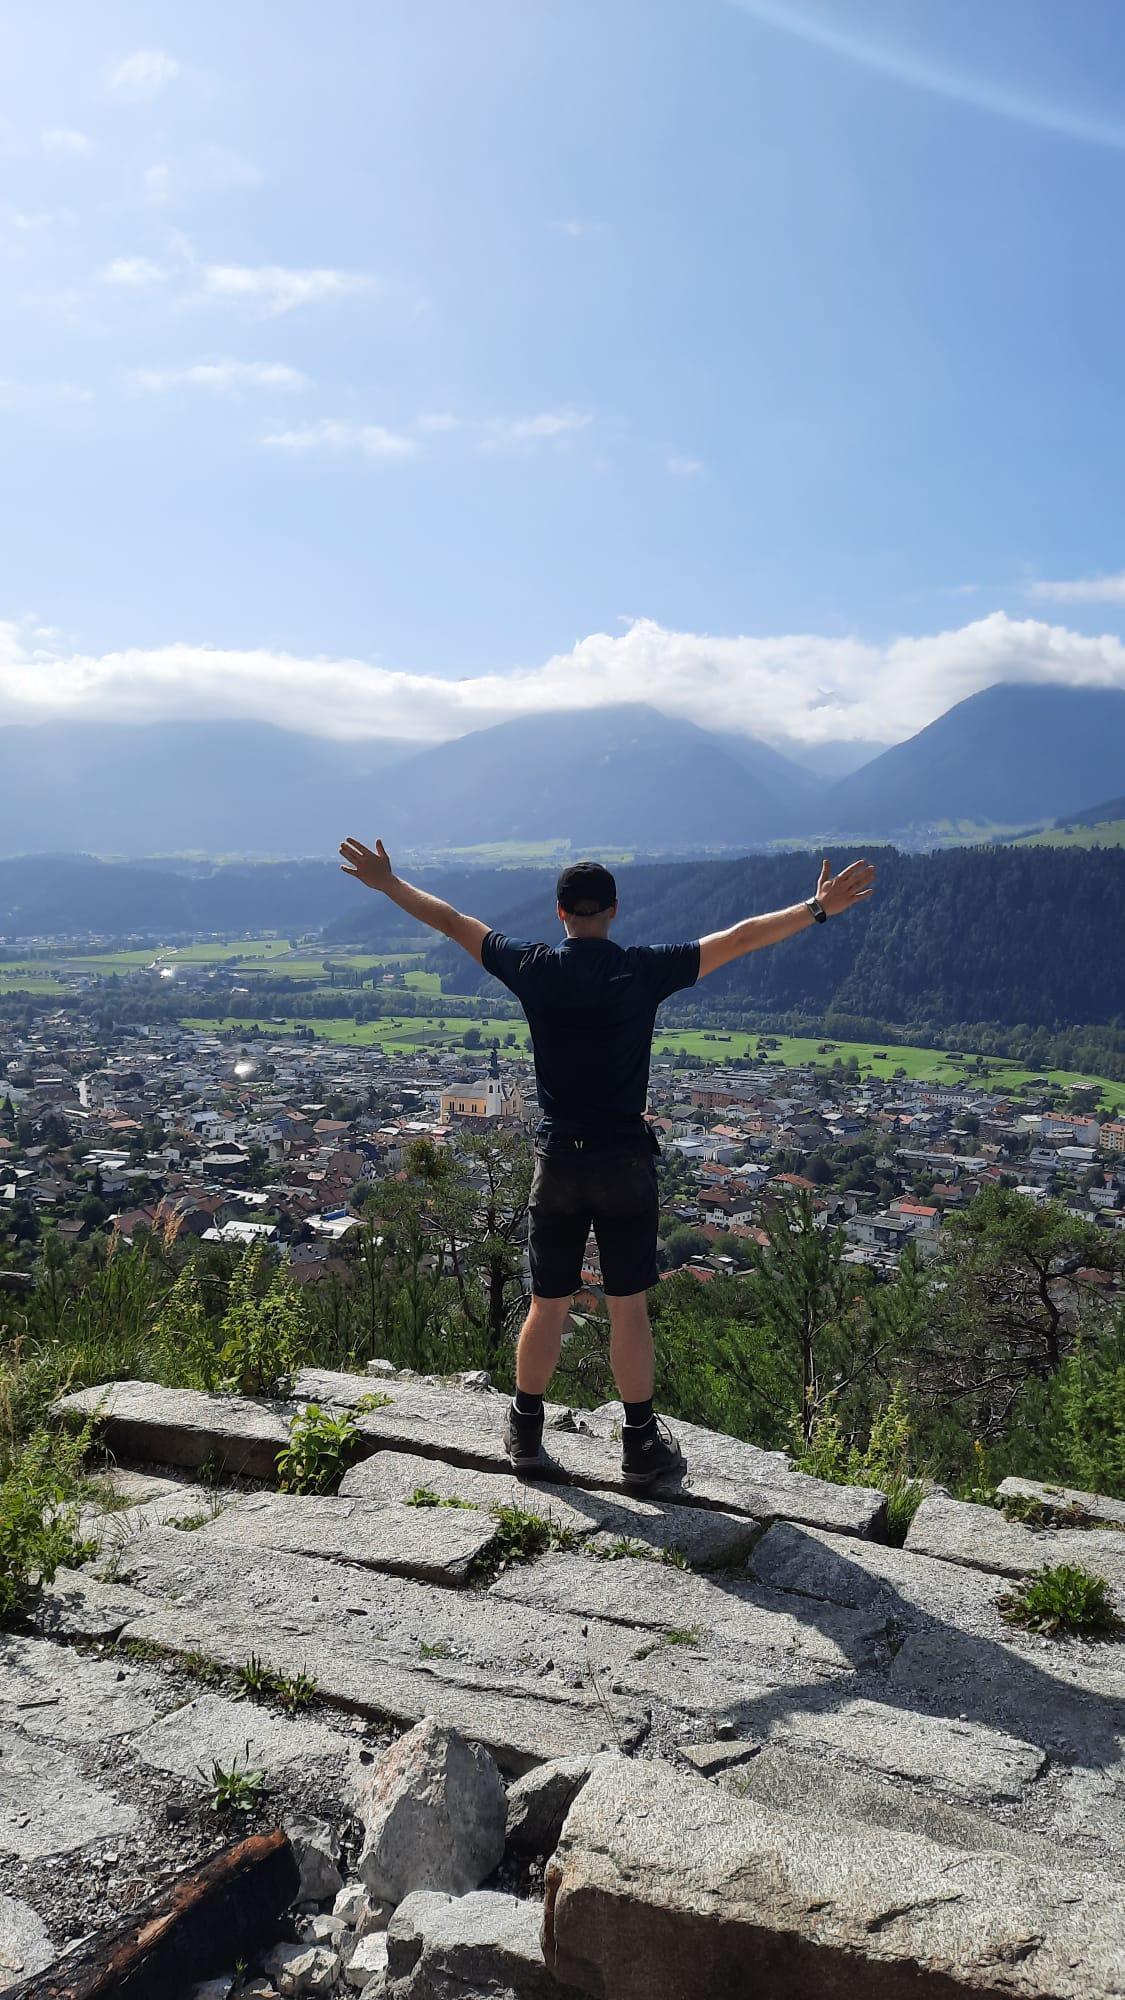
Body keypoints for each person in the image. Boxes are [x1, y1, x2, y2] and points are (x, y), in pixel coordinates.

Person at [338, 836, 876, 1487]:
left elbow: (453, 921)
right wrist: (816, 909)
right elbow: (740, 938)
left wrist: (389, 883)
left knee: (547, 1303)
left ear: (560, 912)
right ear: (614, 910)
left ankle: (526, 1431)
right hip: (623, 1160)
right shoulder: (642, 970)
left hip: (559, 1159)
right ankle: (639, 1445)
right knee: (627, 1307)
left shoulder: (533, 966)